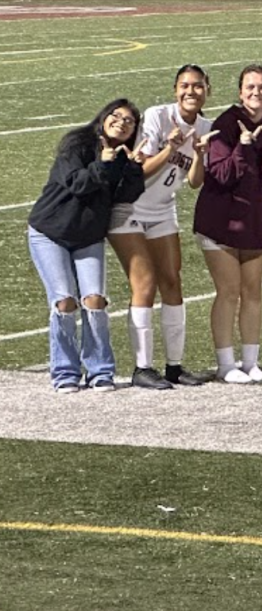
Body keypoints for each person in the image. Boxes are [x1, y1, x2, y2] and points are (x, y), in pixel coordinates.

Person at [108, 65, 215, 390]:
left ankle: (174, 366)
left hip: (163, 209)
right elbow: (141, 171)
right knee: (146, 282)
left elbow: (196, 182)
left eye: (197, 86)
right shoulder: (158, 116)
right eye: (185, 86)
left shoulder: (208, 126)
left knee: (172, 281)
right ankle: (142, 367)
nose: (191, 92)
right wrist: (170, 147)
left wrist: (197, 154)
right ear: (175, 89)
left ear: (207, 90)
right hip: (128, 208)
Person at [28, 100, 145, 393]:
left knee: (94, 300)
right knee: (64, 301)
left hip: (88, 236)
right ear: (103, 118)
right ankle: (65, 373)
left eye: (129, 121)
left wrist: (133, 168)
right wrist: (102, 163)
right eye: (116, 116)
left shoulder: (122, 155)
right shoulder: (77, 144)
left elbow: (125, 197)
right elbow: (77, 183)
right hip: (50, 232)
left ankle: (100, 371)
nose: (121, 122)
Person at [194, 64, 262, 383]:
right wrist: (245, 146)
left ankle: (250, 362)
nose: (256, 92)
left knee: (253, 292)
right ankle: (225, 364)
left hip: (253, 218)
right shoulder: (226, 123)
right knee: (229, 291)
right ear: (240, 92)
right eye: (250, 87)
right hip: (219, 218)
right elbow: (220, 175)